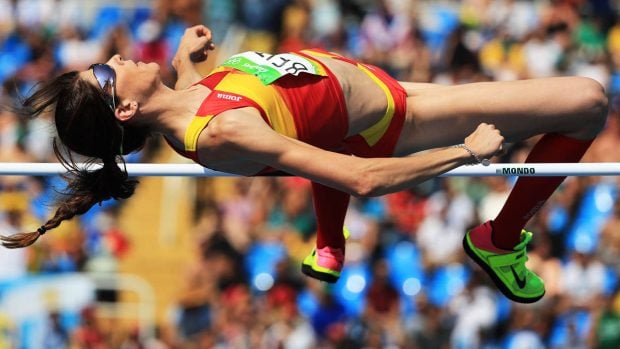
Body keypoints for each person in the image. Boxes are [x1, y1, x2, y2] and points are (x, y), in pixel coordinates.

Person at [1, 25, 608, 304]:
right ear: (126, 106)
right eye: (106, 72)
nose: (114, 55)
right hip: (399, 118)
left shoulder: (188, 101)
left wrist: (189, 60)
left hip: (380, 83)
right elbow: (360, 178)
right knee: (586, 102)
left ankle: (333, 242)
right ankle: (499, 240)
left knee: (582, 101)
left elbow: (205, 100)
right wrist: (465, 152)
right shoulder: (219, 132)